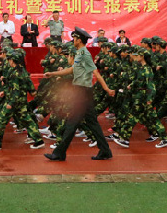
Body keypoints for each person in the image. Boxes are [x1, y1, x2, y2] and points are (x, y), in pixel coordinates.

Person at [43, 27, 115, 161]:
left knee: (72, 123)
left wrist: (107, 89)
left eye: (75, 38)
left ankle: (59, 153)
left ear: (79, 40)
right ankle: (105, 150)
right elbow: (72, 69)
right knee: (92, 123)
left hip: (82, 92)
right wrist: (52, 73)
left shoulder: (85, 54)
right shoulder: (80, 53)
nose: (73, 40)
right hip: (82, 92)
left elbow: (96, 73)